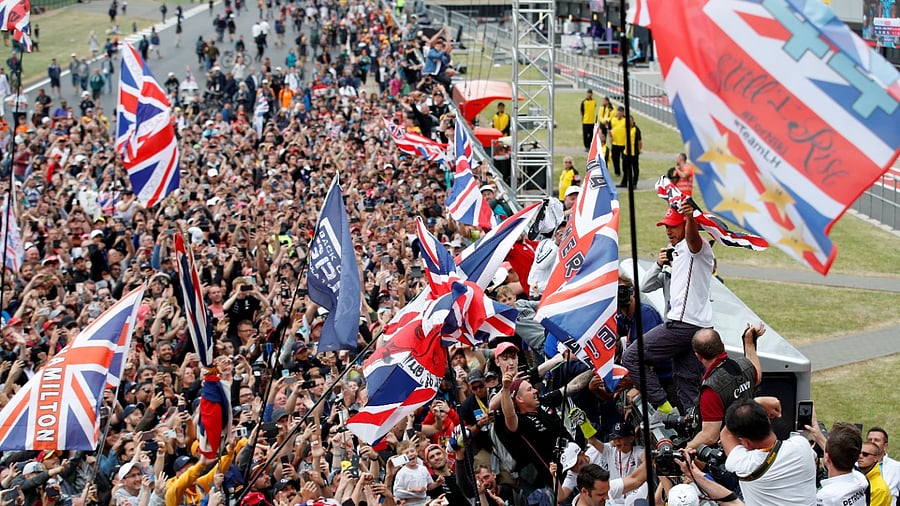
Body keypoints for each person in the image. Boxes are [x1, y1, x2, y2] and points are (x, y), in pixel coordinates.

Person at [622, 200, 713, 413]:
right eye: (666, 226)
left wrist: (690, 218)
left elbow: (693, 239)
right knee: (687, 385)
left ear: (687, 225)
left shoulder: (696, 246)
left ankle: (666, 411)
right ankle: (697, 429)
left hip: (683, 324)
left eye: (673, 225)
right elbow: (644, 286)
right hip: (695, 327)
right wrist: (660, 263)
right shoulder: (676, 251)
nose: (668, 230)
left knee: (631, 357)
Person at [721, 399, 817, 505]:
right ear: (768, 420)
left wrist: (757, 402)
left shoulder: (744, 465)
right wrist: (754, 406)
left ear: (746, 442)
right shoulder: (801, 445)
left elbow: (727, 434)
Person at [686, 324, 764, 449]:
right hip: (756, 442)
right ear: (722, 345)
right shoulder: (745, 365)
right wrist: (749, 342)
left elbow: (710, 436)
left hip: (730, 454)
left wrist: (686, 448)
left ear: (698, 356)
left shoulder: (710, 390)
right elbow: (757, 374)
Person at [817, 423, 869, 506]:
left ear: (827, 457)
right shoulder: (861, 479)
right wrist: (818, 436)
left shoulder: (825, 497)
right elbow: (844, 452)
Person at [572, 463, 648, 506]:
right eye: (601, 494)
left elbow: (635, 479)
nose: (607, 497)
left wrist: (654, 456)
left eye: (607, 491)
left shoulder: (601, 488)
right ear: (584, 492)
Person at [867, 427, 900, 505]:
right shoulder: (856, 465)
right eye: (869, 440)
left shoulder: (897, 467)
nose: (872, 442)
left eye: (876, 440)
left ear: (885, 446)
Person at [860, 441, 893, 506]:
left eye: (865, 454)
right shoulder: (857, 477)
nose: (860, 456)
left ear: (876, 458)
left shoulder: (880, 489)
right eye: (858, 453)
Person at [617, 115, 641, 188]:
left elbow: (639, 141)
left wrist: (639, 150)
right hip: (626, 152)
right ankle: (624, 182)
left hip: (634, 153)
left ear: (633, 121)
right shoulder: (626, 128)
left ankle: (634, 183)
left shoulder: (636, 129)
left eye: (630, 120)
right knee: (625, 168)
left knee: (635, 168)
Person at [608, 105, 626, 176]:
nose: (619, 113)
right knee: (615, 158)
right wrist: (610, 137)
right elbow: (609, 129)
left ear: (623, 113)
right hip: (615, 143)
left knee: (625, 159)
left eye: (621, 112)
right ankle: (617, 172)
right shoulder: (613, 120)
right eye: (618, 111)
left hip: (624, 143)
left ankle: (625, 171)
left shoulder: (626, 120)